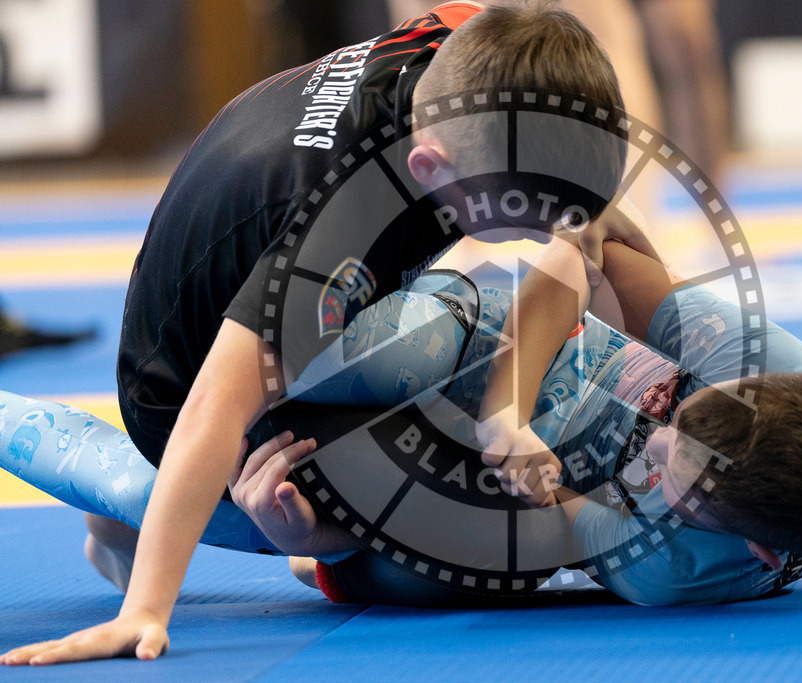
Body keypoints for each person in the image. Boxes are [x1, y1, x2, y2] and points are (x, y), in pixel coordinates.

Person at [1, 0, 659, 665]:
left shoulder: (473, 48)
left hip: (271, 271)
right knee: (475, 534)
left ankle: (177, 504)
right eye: (521, 222)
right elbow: (212, 406)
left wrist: (585, 204)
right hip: (182, 386)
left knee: (478, 324)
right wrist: (144, 607)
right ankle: (131, 492)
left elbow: (548, 135)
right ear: (430, 169)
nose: (539, 238)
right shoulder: (334, 236)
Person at [0, 239, 802, 626]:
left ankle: (147, 499)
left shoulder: (666, 568)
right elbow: (581, 244)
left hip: (466, 483)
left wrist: (305, 533)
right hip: (491, 350)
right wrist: (510, 409)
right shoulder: (769, 363)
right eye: (687, 416)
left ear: (745, 541)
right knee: (388, 352)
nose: (660, 439)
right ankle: (211, 386)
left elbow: (496, 537)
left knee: (161, 496)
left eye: (673, 473)